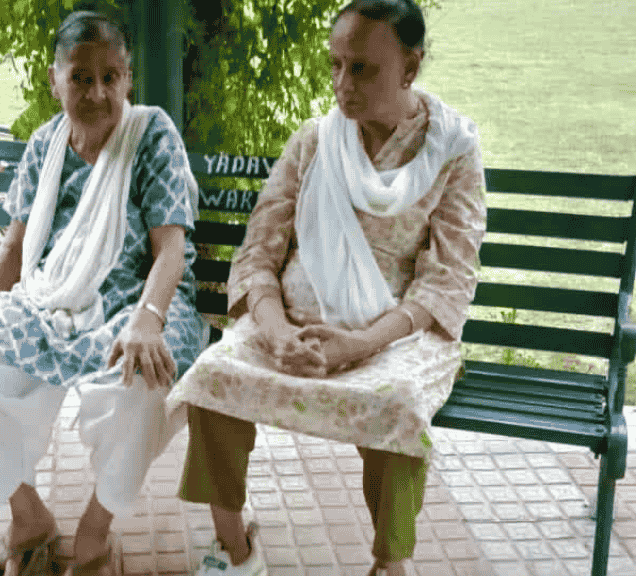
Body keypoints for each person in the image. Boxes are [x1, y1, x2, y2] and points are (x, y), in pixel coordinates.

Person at [165, 1, 486, 575]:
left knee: (399, 402)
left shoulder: (452, 152)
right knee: (215, 375)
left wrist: (360, 344)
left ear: (409, 68)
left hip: (392, 335)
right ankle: (235, 549)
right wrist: (278, 330)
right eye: (335, 65)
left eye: (361, 68)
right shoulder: (314, 142)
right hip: (287, 326)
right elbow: (258, 253)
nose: (342, 84)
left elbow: (446, 283)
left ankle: (390, 564)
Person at [0, 10, 204, 576]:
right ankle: (29, 520)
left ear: (127, 78)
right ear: (55, 80)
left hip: (136, 303)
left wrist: (148, 318)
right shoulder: (46, 144)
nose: (97, 93)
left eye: (110, 78)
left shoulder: (151, 134)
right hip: (48, 305)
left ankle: (95, 533)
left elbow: (172, 250)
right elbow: (16, 250)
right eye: (81, 78)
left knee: (139, 385)